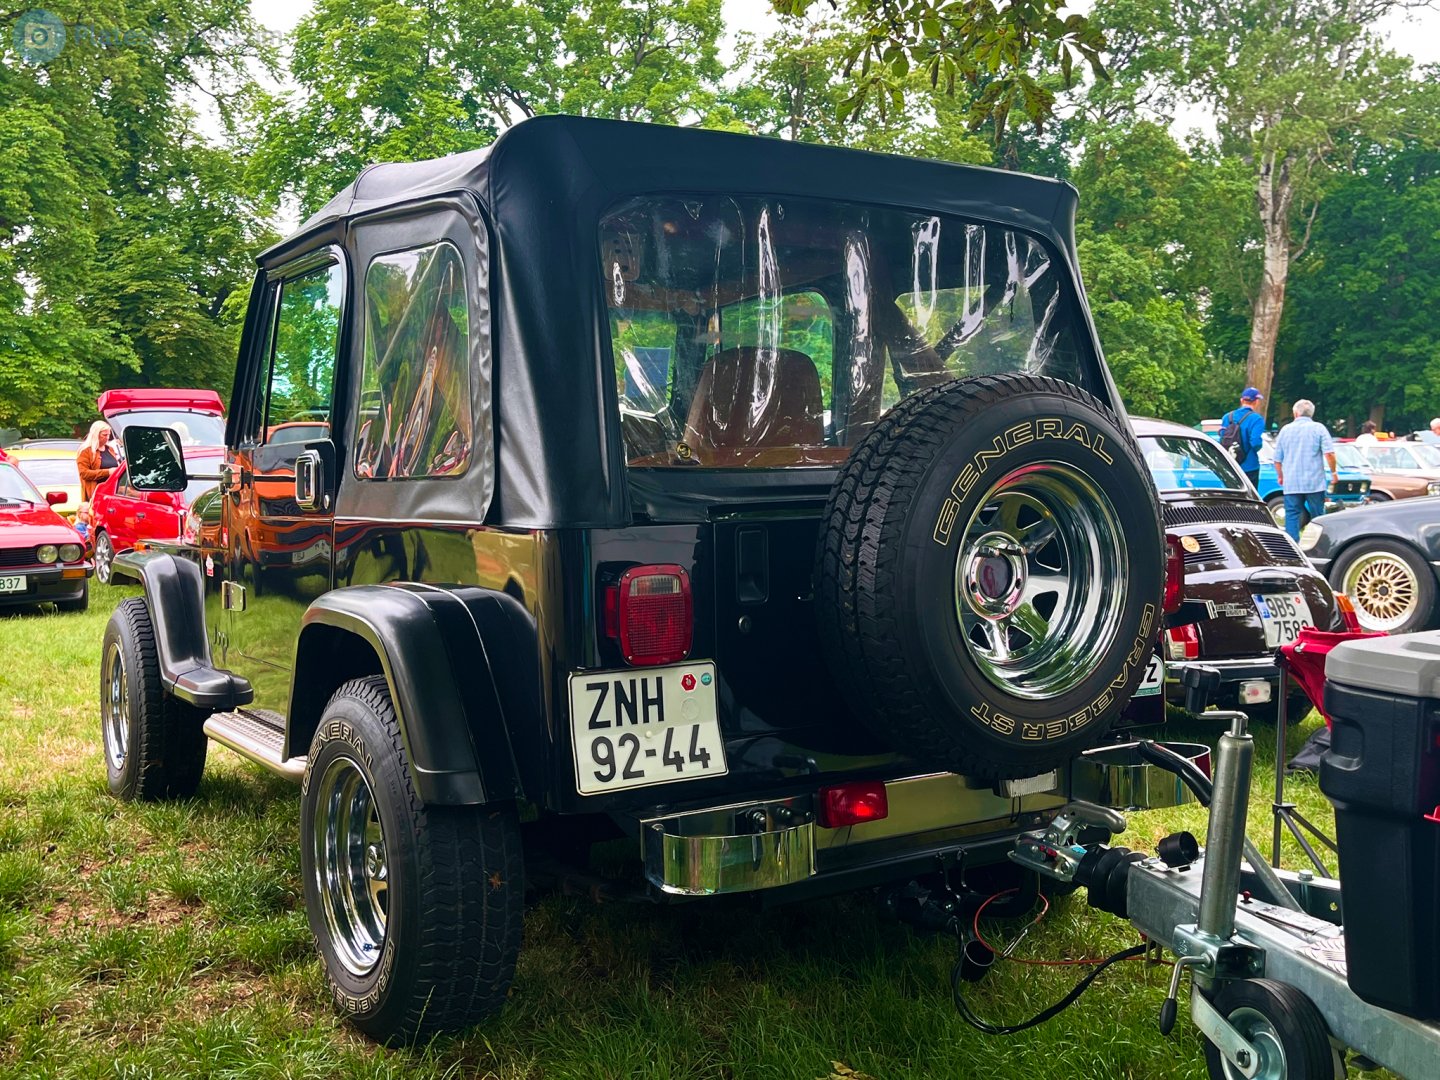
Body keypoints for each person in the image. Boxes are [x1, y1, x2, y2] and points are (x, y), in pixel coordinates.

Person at [1273, 399, 1338, 542]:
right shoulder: (1319, 428)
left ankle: (1293, 546)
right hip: (1314, 482)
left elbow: (1277, 459)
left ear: (1295, 413)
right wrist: (1334, 473)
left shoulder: (1285, 430)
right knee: (1318, 517)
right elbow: (1329, 454)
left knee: (1292, 515)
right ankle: (1319, 544)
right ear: (1311, 413)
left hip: (1292, 482)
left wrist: (1280, 476)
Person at [1220, 387, 1267, 488]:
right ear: (1256, 402)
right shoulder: (1257, 419)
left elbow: (1222, 439)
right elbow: (1255, 443)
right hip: (1249, 466)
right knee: (1249, 496)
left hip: (1230, 466)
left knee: (1231, 495)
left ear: (1241, 400)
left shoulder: (1227, 417)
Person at [76, 420, 117, 503]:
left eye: (109, 435)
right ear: (96, 434)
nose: (107, 438)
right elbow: (84, 473)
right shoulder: (85, 451)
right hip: (95, 495)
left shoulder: (110, 449)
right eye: (104, 435)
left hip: (112, 493)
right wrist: (108, 472)